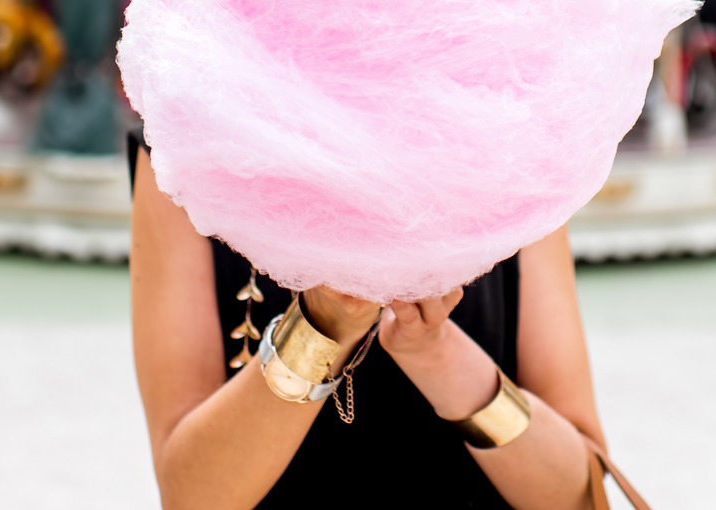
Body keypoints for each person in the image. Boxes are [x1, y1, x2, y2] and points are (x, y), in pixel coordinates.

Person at [129, 132, 608, 510]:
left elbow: (578, 493)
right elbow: (189, 495)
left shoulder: (516, 144)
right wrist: (321, 328)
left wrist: (435, 350)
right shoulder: (185, 144)